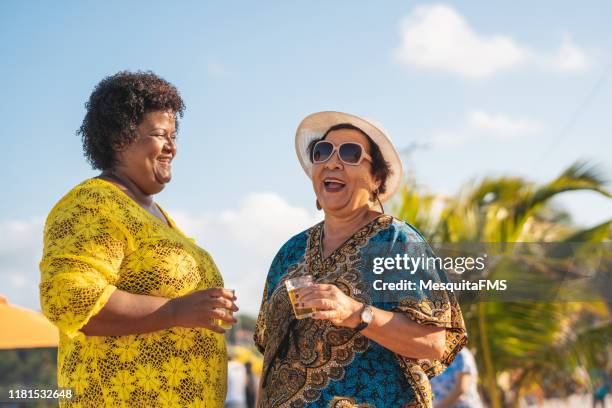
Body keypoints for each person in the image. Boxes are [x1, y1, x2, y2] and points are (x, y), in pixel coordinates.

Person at [39, 71, 237, 407]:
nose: (172, 146)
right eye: (161, 134)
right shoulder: (93, 204)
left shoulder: (157, 215)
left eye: (174, 135)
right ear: (120, 138)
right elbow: (69, 298)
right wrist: (175, 310)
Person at [254, 111, 467, 407]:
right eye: (322, 151)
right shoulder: (289, 252)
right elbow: (271, 360)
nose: (332, 161)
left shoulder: (398, 242)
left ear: (376, 178)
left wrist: (356, 313)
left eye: (351, 153)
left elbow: (433, 343)